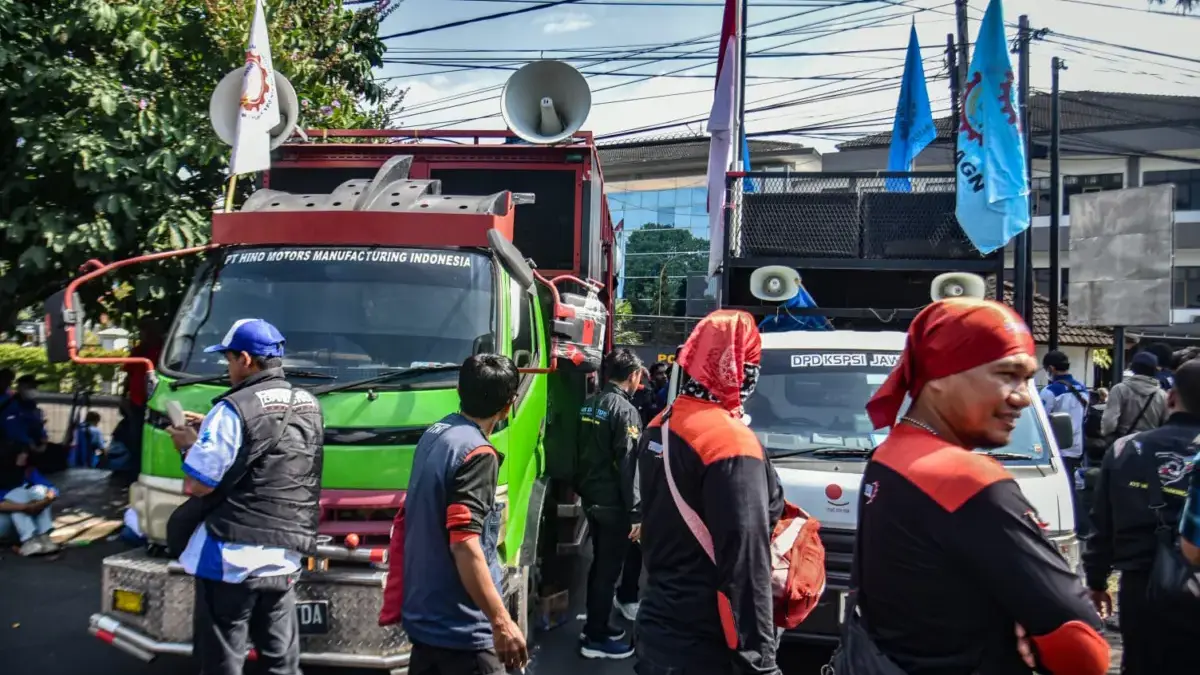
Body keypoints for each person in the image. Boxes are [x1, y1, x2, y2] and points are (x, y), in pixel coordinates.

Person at [854, 298, 1108, 675]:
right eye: (1007, 374)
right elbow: (1085, 652)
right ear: (940, 376)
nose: (1023, 396)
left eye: (1027, 378)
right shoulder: (968, 479)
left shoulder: (891, 455)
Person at [165, 318, 324, 675]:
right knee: (281, 663)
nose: (228, 367)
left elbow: (200, 484)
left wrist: (189, 446)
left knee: (222, 662)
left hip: (232, 557)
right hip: (284, 557)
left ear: (246, 360)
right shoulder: (309, 405)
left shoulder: (233, 409)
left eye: (229, 359)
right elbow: (274, 451)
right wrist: (212, 426)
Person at [634, 309, 785, 675]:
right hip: (706, 646)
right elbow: (745, 566)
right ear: (738, 367)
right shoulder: (729, 442)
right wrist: (760, 661)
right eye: (752, 362)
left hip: (657, 625)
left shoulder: (662, 424)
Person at [401, 353, 529, 675]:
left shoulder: (436, 433)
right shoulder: (477, 454)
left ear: (460, 390)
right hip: (462, 632)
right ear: (509, 405)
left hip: (426, 620)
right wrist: (502, 622)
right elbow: (465, 543)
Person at [1084, 359, 1200, 674]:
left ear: (1171, 396)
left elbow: (1101, 524)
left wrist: (1096, 581)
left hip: (1140, 586)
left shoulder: (1124, 450)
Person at [575, 348, 644, 659]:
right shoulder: (624, 411)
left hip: (592, 500)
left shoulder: (589, 405)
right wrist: (636, 513)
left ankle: (595, 624)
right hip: (613, 506)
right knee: (607, 571)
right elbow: (630, 466)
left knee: (600, 566)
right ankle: (595, 638)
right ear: (632, 376)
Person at [0, 453, 61, 556]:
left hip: (25, 518)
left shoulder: (28, 471)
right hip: (4, 524)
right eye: (20, 453)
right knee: (18, 494)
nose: (25, 455)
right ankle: (29, 539)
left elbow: (52, 490)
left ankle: (43, 536)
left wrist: (43, 502)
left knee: (40, 490)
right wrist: (25, 507)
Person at [1101, 352, 1167, 441]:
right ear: (1155, 370)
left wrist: (1107, 435)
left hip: (1123, 443)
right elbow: (1166, 425)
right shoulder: (1162, 395)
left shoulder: (1119, 389)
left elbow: (1109, 422)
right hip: (1151, 444)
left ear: (1133, 368)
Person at [633, 362, 669, 428]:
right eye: (660, 373)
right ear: (652, 377)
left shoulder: (676, 396)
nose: (664, 376)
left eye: (666, 373)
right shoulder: (646, 396)